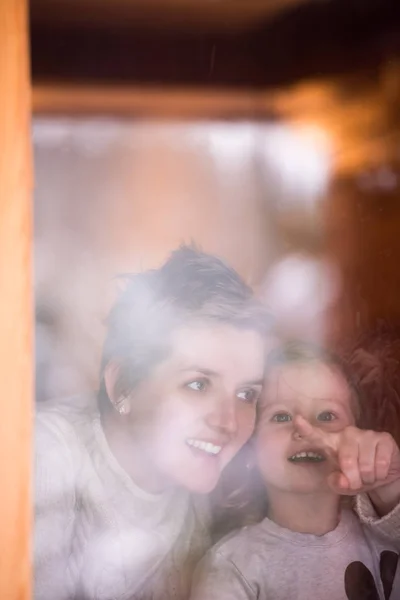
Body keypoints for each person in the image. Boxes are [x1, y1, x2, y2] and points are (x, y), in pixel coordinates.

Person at [34, 245, 270, 600]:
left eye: (247, 394)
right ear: (123, 385)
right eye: (197, 385)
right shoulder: (46, 455)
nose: (229, 422)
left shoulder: (214, 492)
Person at [191, 341, 400, 600]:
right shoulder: (232, 565)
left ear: (358, 432)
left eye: (326, 416)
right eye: (280, 416)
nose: (304, 428)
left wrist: (391, 486)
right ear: (250, 451)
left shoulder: (388, 531)